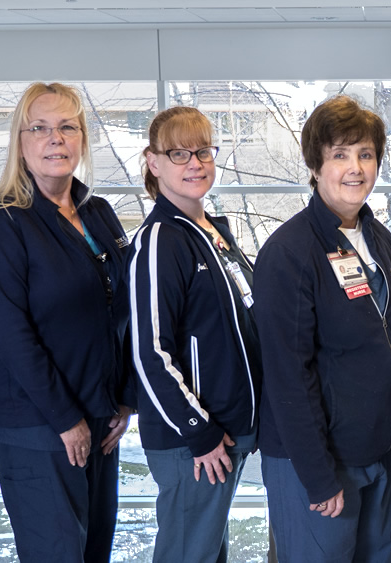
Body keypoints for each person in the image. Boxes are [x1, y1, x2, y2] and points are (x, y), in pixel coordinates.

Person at [0, 82, 134, 562]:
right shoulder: (2, 222)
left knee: (95, 550)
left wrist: (123, 397)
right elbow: (12, 333)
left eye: (67, 127)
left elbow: (120, 310)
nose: (54, 138)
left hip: (101, 418)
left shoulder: (98, 212)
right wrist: (66, 419)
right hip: (40, 425)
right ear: (20, 142)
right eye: (39, 128)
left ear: (82, 138)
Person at [253, 95, 391, 562]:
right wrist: (317, 474)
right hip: (317, 462)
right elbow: (288, 374)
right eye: (340, 154)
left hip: (380, 452)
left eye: (365, 154)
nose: (355, 168)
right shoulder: (289, 253)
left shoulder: (380, 240)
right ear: (315, 165)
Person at [128, 106, 262, 563]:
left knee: (206, 553)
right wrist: (198, 431)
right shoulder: (161, 239)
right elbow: (150, 352)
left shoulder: (212, 231)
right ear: (153, 162)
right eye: (179, 153)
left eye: (203, 151)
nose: (195, 164)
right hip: (196, 440)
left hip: (226, 432)